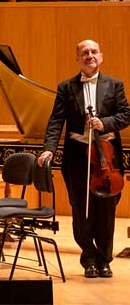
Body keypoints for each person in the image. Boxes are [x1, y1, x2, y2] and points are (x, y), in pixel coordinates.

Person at [39, 40, 130, 279]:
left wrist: (105, 123)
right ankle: (88, 258)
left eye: (93, 52)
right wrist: (49, 148)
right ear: (77, 58)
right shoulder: (66, 87)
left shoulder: (115, 85)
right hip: (78, 155)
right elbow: (56, 120)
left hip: (107, 154)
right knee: (81, 210)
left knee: (106, 210)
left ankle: (104, 259)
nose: (89, 56)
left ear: (101, 56)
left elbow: (126, 115)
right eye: (84, 53)